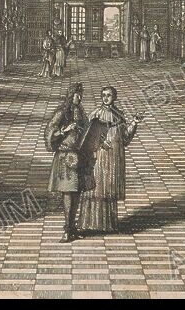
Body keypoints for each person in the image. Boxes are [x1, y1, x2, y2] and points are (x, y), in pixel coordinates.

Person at [77, 87, 142, 233]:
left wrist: (134, 123)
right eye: (103, 95)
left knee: (109, 188)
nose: (105, 98)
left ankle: (109, 225)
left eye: (109, 95)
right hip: (99, 157)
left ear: (114, 97)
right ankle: (90, 224)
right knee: (97, 188)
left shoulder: (119, 115)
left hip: (114, 158)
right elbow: (88, 137)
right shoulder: (96, 113)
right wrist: (100, 143)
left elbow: (125, 139)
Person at [45, 83, 88, 242]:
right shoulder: (62, 112)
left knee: (77, 193)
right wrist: (64, 130)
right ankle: (67, 230)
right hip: (65, 157)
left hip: (79, 155)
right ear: (71, 95)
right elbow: (49, 132)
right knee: (68, 193)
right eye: (77, 94)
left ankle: (72, 228)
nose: (80, 97)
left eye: (81, 94)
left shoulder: (81, 112)